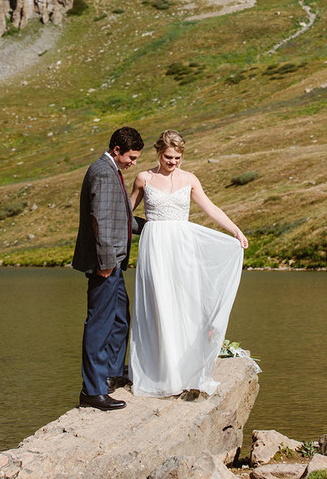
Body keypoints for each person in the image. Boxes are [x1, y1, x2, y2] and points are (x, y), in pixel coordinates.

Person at [129, 129, 248, 398]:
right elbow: (125, 211)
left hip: (183, 247)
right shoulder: (144, 178)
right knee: (159, 304)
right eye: (168, 157)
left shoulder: (190, 179)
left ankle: (185, 370)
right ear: (159, 153)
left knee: (185, 303)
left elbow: (211, 208)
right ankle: (161, 372)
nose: (173, 162)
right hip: (155, 246)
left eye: (177, 157)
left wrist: (235, 231)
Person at [72, 126, 145, 411]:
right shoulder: (102, 172)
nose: (133, 163)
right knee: (99, 325)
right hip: (106, 264)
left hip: (113, 263)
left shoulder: (111, 170)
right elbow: (99, 220)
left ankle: (113, 374)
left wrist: (159, 228)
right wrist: (105, 264)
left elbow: (121, 218)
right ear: (116, 150)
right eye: (131, 157)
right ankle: (92, 390)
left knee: (119, 320)